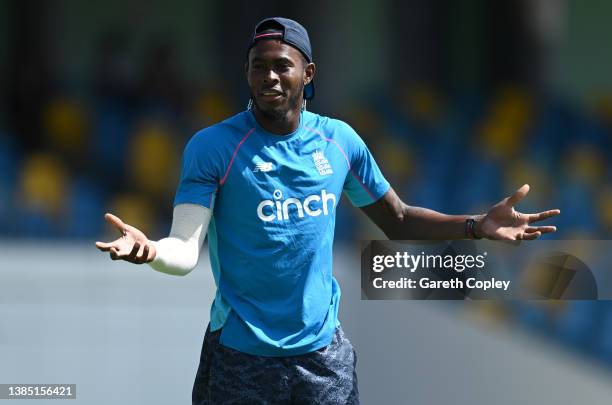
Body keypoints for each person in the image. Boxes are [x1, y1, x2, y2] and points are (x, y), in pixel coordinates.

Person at [95, 17, 560, 405]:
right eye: (259, 67)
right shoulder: (213, 147)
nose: (270, 77)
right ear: (247, 73)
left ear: (309, 73)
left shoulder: (340, 142)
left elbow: (396, 220)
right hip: (239, 356)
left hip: (321, 358)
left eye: (283, 66)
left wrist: (475, 226)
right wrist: (151, 250)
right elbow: (183, 251)